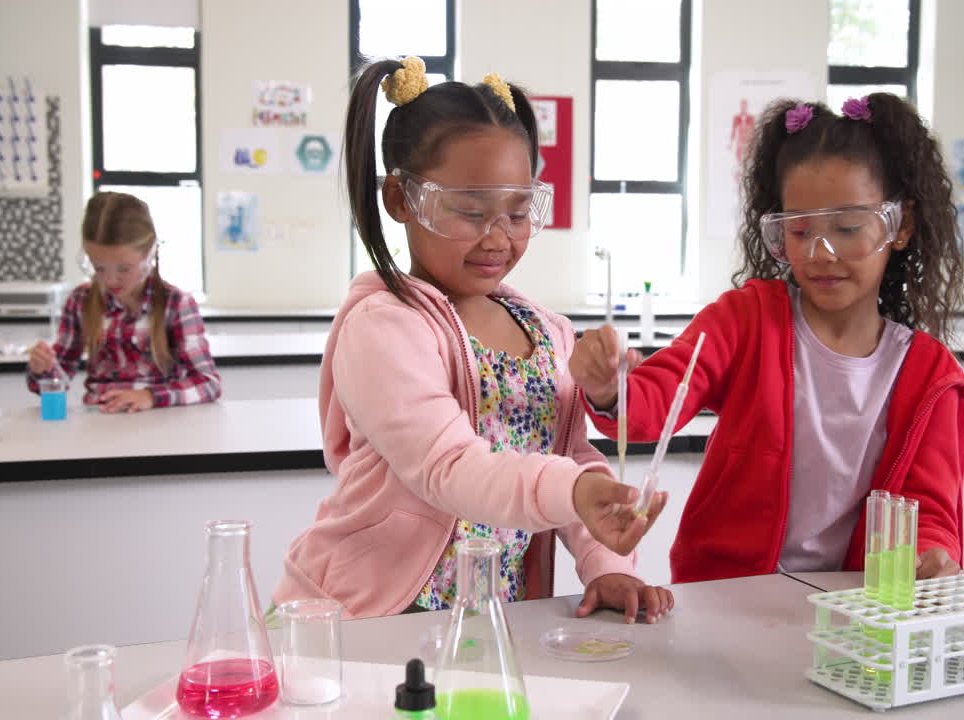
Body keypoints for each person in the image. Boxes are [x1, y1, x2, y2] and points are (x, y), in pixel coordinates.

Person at [272, 57, 673, 623]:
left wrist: (607, 561)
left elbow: (570, 459)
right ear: (401, 199)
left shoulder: (547, 331)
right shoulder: (385, 326)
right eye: (469, 210)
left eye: (517, 211)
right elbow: (449, 466)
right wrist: (576, 488)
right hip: (365, 621)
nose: (498, 237)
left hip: (486, 618)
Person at [571, 94, 964, 584]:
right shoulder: (748, 320)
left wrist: (930, 554)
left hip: (851, 607)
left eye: (847, 229)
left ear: (900, 224)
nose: (822, 254)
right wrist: (612, 391)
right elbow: (662, 394)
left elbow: (929, 508)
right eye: (799, 232)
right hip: (728, 594)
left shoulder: (930, 376)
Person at [26, 191, 220, 412]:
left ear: (151, 253)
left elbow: (209, 385)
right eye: (99, 267)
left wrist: (149, 396)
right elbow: (54, 382)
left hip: (159, 424)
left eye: (124, 269)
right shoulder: (80, 300)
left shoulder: (175, 303)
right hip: (99, 424)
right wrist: (42, 368)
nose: (110, 280)